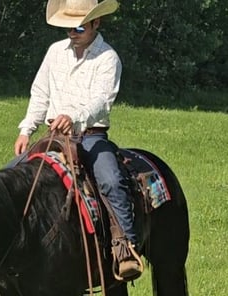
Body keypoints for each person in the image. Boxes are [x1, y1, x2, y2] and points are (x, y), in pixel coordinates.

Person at [13, 0, 142, 281]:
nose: (73, 31)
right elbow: (40, 93)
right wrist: (26, 129)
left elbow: (101, 102)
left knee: (111, 180)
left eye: (80, 26)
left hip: (90, 136)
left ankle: (125, 246)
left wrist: (73, 115)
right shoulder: (54, 52)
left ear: (97, 23)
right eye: (68, 26)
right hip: (53, 136)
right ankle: (13, 248)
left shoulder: (108, 58)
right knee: (11, 176)